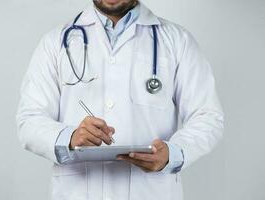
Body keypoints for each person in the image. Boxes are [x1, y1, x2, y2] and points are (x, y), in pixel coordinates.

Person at [16, 0, 224, 199]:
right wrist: (69, 138)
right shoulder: (55, 42)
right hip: (77, 191)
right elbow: (30, 120)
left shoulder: (178, 41)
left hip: (150, 192)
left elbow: (207, 116)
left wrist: (173, 153)